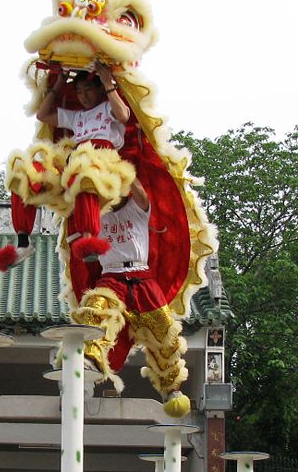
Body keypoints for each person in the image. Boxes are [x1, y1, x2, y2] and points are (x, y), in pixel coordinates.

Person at [0, 62, 135, 271]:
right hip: (75, 163)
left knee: (84, 172)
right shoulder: (77, 116)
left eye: (88, 89)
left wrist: (107, 82)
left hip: (104, 165)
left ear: (98, 89)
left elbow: (124, 116)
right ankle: (23, 242)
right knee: (25, 171)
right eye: (78, 91)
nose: (83, 96)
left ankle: (89, 239)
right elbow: (42, 115)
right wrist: (60, 82)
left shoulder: (108, 108)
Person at [72, 178, 192, 418]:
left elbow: (137, 187)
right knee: (94, 312)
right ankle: (87, 369)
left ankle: (170, 387)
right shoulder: (95, 216)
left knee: (165, 330)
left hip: (142, 276)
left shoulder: (137, 207)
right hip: (110, 278)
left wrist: (116, 160)